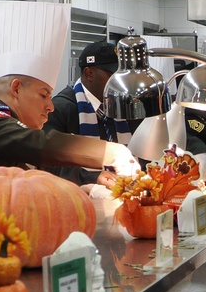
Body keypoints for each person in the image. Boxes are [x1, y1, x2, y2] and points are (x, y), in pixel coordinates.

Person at [0, 2, 138, 183]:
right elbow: (41, 144)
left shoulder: (11, 124)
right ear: (16, 88)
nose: (51, 106)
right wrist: (110, 152)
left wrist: (90, 181)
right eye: (43, 95)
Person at [43, 40, 136, 188]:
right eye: (112, 76)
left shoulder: (124, 106)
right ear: (89, 73)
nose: (120, 84)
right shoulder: (60, 109)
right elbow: (49, 166)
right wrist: (92, 178)